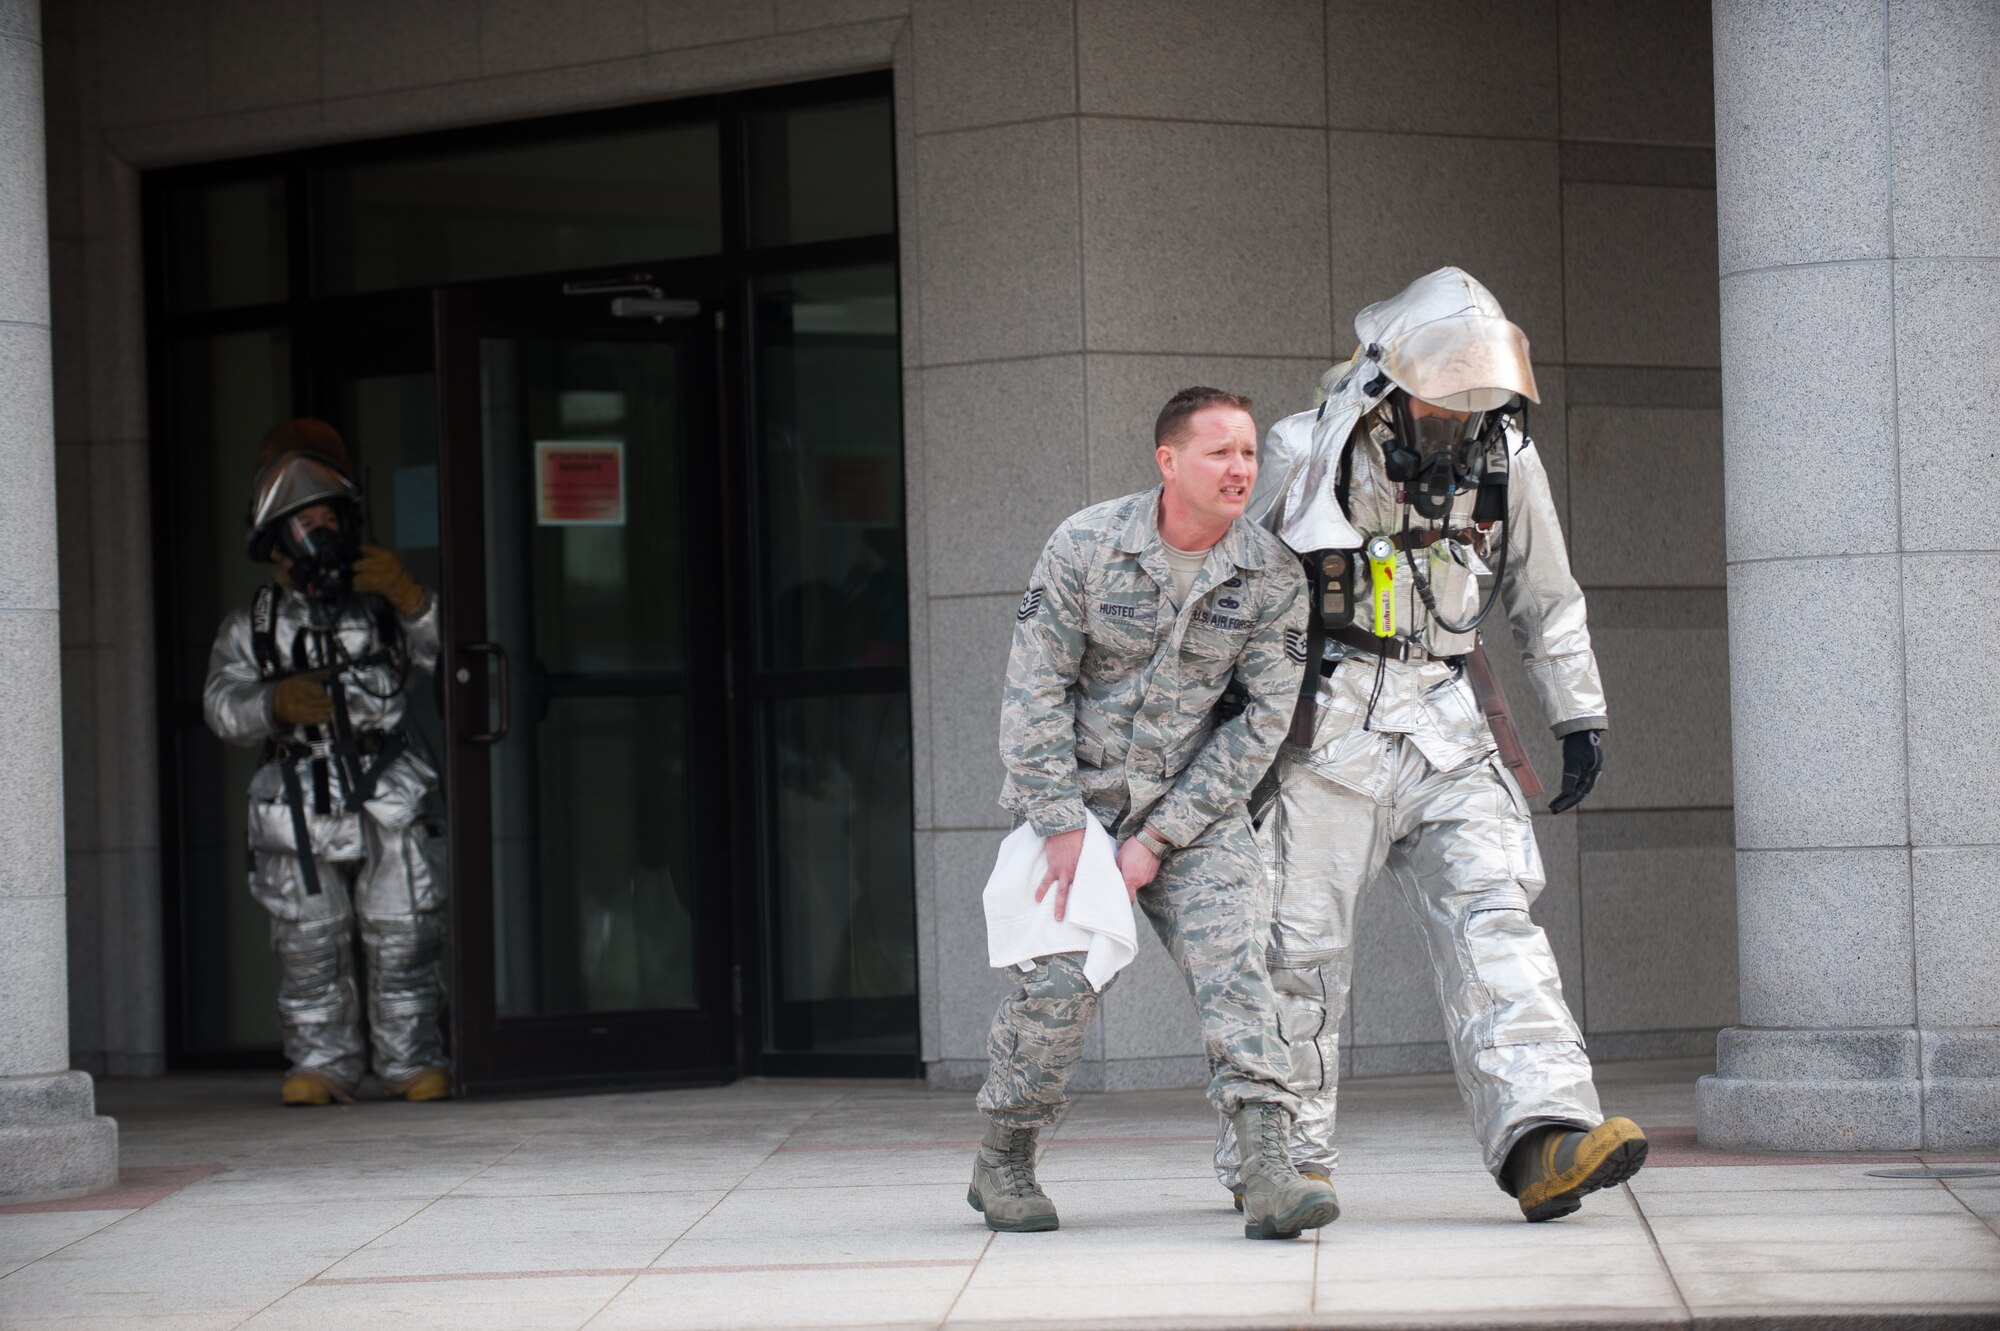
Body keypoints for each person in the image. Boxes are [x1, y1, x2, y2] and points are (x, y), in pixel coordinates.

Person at [1219, 268, 1647, 1222]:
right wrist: (1218, 739)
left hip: (1451, 718)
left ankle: (1545, 1134)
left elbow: (1546, 592)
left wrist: (1577, 712)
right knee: (1299, 949)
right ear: (1389, 380)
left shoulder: (1507, 456)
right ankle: (1282, 1160)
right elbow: (1230, 595)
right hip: (1324, 727)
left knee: (1498, 919)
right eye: (1442, 389)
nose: (1459, 411)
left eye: (1474, 390)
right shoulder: (1305, 447)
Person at [968, 387, 1338, 1241]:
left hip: (1193, 813)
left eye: (1248, 452)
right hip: (1076, 805)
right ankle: (1005, 1158)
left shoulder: (1272, 574)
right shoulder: (1086, 544)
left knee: (1242, 966)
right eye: (1220, 453)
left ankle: (1269, 1169)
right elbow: (1033, 690)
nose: (1241, 468)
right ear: (1169, 461)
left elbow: (1260, 727)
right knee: (1056, 987)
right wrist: (1063, 823)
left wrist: (1162, 837)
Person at [203, 419, 450, 1106]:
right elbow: (221, 704)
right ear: (276, 540)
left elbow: (451, 661)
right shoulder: (253, 623)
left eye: (327, 517)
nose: (319, 533)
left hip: (390, 790)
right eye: (302, 522)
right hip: (297, 797)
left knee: (405, 931)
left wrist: (413, 600)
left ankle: (412, 1062)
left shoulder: (384, 604)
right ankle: (321, 1065)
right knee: (309, 941)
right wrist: (274, 701)